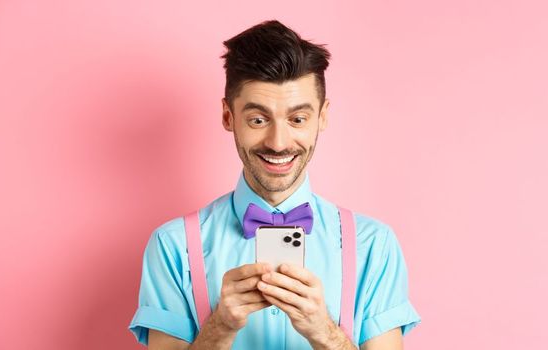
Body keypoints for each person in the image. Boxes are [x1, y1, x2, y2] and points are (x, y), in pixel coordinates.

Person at [128, 20, 421, 349]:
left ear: (322, 117)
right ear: (228, 117)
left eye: (298, 119)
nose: (279, 143)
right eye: (258, 119)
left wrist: (324, 332)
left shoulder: (373, 246)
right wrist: (220, 326)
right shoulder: (173, 246)